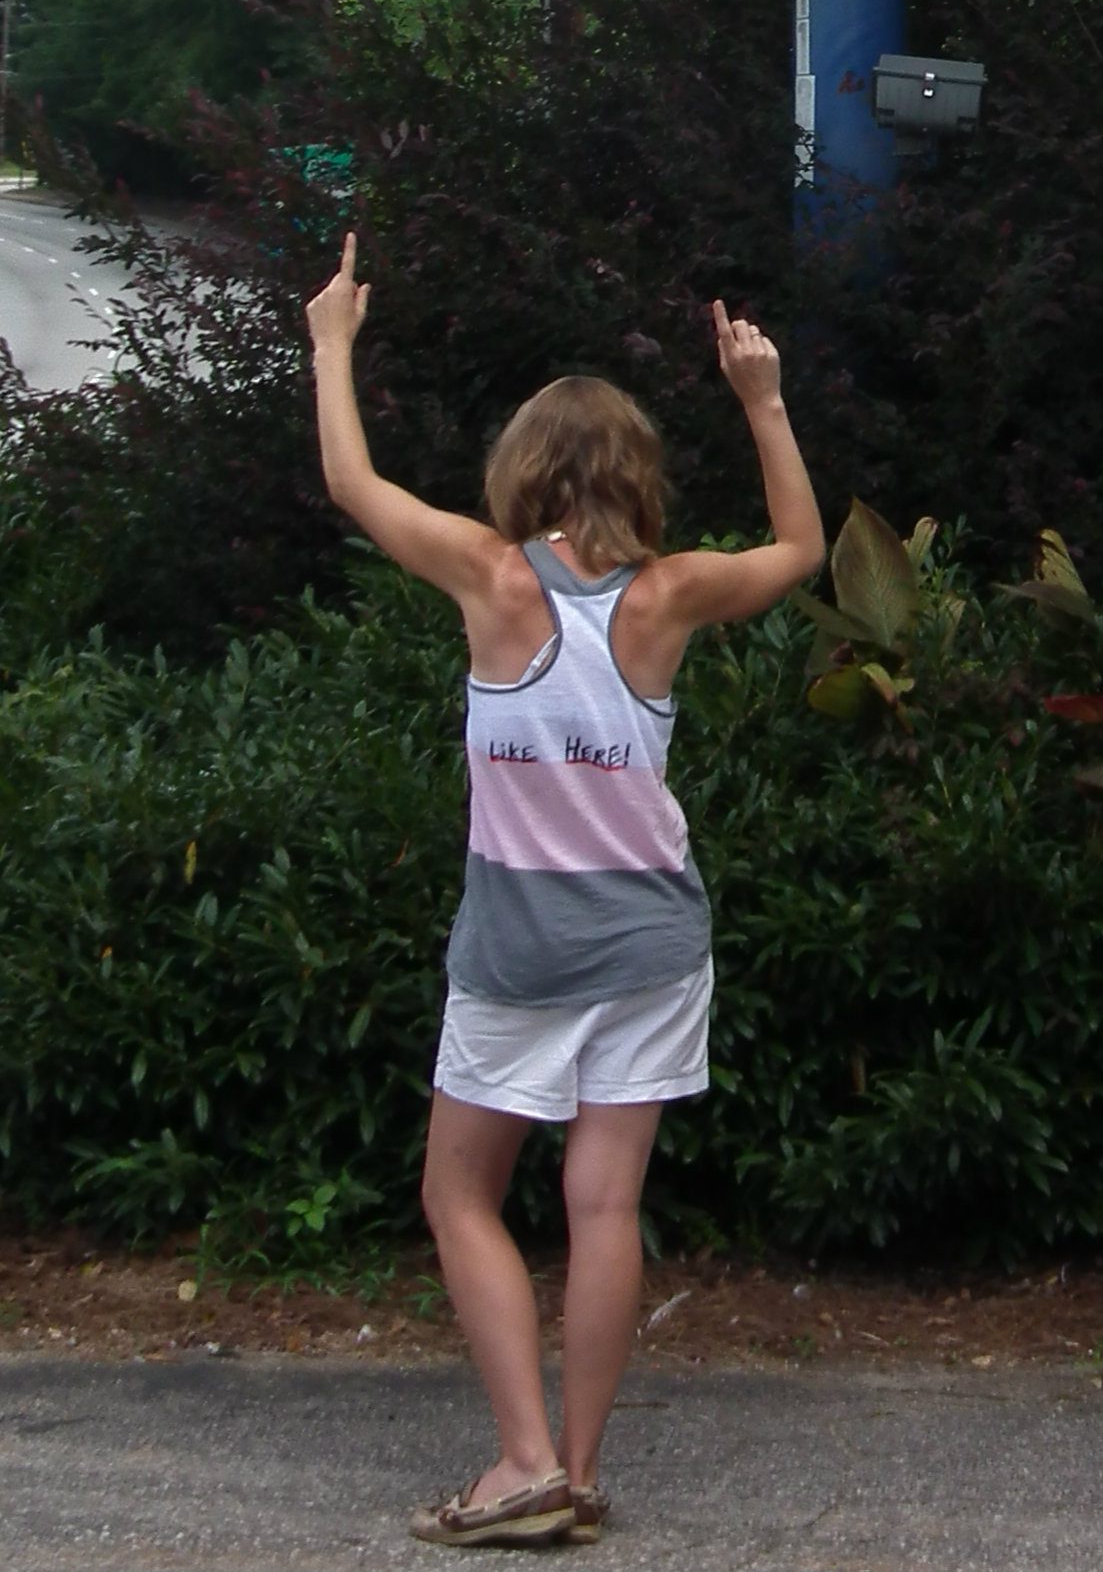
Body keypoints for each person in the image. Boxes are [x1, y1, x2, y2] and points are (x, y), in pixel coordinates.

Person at [306, 238, 824, 1551]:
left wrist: (332, 342)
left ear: (522, 471)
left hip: (518, 952)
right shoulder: (672, 593)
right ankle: (575, 1475)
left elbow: (353, 485)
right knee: (602, 1206)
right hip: (653, 942)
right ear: (635, 475)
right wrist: (762, 400)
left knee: (458, 1196)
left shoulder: (490, 578)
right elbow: (802, 547)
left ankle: (523, 1462)